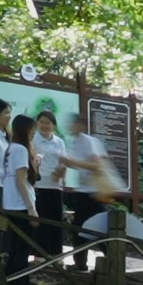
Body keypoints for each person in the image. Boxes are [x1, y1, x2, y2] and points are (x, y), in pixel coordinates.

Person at [59, 112, 107, 271]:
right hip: (82, 191)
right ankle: (80, 263)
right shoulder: (75, 142)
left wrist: (72, 162)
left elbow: (97, 166)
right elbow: (77, 164)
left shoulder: (89, 142)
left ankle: (113, 259)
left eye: (73, 123)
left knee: (98, 229)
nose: (70, 127)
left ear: (80, 125)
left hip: (94, 193)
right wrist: (67, 164)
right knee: (79, 228)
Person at [0, 114, 39, 277]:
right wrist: (31, 208)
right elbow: (21, 181)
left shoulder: (11, 147)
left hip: (10, 202)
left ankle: (10, 282)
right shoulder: (21, 149)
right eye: (32, 129)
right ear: (26, 130)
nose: (34, 133)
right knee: (22, 249)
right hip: (21, 204)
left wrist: (35, 166)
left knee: (15, 248)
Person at [31, 110, 68, 259]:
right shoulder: (33, 139)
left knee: (55, 220)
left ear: (53, 125)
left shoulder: (59, 141)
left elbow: (64, 161)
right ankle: (39, 256)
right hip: (39, 185)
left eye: (48, 123)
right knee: (41, 221)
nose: (45, 125)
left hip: (55, 185)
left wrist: (62, 172)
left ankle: (56, 255)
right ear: (37, 123)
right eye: (42, 122)